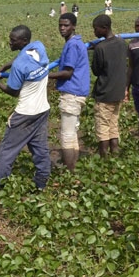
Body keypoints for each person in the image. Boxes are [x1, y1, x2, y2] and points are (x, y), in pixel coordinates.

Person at [0, 25, 51, 191]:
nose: (10, 43)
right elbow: (22, 59)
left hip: (24, 115)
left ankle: (1, 186)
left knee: (7, 150)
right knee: (40, 149)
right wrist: (6, 66)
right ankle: (41, 184)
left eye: (13, 40)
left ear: (23, 41)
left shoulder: (20, 66)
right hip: (42, 110)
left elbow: (13, 92)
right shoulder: (39, 47)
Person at [48, 13, 90, 170]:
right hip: (77, 92)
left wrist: (46, 75)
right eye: (60, 25)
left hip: (72, 93)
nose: (62, 28)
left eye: (66, 25)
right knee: (72, 132)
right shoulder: (76, 43)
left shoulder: (72, 45)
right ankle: (72, 166)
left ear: (73, 26)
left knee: (66, 134)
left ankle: (69, 169)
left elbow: (68, 72)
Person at [91, 14, 128, 158]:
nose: (94, 32)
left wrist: (96, 50)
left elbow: (96, 71)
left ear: (104, 28)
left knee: (102, 127)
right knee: (113, 125)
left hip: (104, 93)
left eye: (96, 29)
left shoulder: (100, 48)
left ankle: (104, 158)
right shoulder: (121, 42)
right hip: (118, 92)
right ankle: (115, 154)